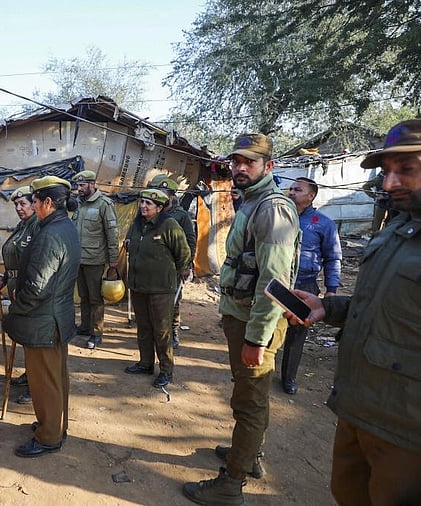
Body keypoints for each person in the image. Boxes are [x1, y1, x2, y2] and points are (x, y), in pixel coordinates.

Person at [288, 119, 421, 505]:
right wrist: (329, 307)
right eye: (387, 171)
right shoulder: (401, 226)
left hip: (418, 443)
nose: (388, 184)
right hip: (359, 413)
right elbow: (396, 306)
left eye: (407, 169)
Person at [182, 133, 300, 505]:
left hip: (256, 323)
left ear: (269, 165)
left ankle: (231, 483)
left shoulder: (271, 208)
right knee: (250, 396)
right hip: (242, 316)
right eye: (237, 161)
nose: (241, 167)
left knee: (248, 403)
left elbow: (274, 282)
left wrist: (257, 338)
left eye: (250, 161)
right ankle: (250, 456)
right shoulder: (250, 202)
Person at [3, 176, 81, 458]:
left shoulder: (50, 234)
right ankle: (55, 425)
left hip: (44, 321)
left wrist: (15, 310)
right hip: (57, 316)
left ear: (48, 202)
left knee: (44, 381)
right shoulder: (65, 226)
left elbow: (37, 287)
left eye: (34, 201)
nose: (32, 206)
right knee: (57, 376)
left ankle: (49, 437)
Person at [123, 188, 191, 388]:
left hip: (161, 289)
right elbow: (130, 243)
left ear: (160, 208)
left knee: (161, 330)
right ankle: (145, 363)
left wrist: (175, 273)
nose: (143, 206)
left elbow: (183, 254)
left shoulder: (169, 225)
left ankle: (166, 370)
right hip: (138, 286)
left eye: (149, 204)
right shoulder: (137, 225)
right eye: (142, 203)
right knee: (143, 327)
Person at [280, 177, 341, 395]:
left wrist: (331, 289)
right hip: (279, 282)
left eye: (298, 189)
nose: (292, 192)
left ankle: (289, 378)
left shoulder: (323, 223)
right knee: (269, 326)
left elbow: (332, 258)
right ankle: (259, 370)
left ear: (311, 195)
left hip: (305, 284)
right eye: (291, 188)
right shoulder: (281, 217)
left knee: (296, 333)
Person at [71, 170, 119, 349]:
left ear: (92, 184)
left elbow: (112, 233)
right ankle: (85, 326)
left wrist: (113, 259)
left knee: (95, 298)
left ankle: (97, 332)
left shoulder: (104, 204)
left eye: (82, 185)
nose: (79, 189)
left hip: (95, 260)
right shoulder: (77, 204)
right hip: (79, 259)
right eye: (77, 185)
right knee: (83, 296)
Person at [147, 174, 197, 349]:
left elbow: (190, 241)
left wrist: (186, 265)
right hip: (154, 265)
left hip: (174, 266)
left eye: (160, 192)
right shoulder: (153, 211)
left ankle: (173, 332)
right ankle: (156, 331)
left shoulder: (181, 216)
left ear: (171, 195)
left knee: (173, 301)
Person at [0, 186, 40, 405]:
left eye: (23, 203)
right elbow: (15, 256)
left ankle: (36, 385)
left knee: (31, 338)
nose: (18, 208)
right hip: (15, 285)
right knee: (24, 338)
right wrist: (6, 279)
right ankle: (29, 375)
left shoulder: (37, 227)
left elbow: (34, 263)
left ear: (34, 204)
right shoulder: (23, 226)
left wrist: (22, 287)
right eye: (16, 204)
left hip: (26, 289)